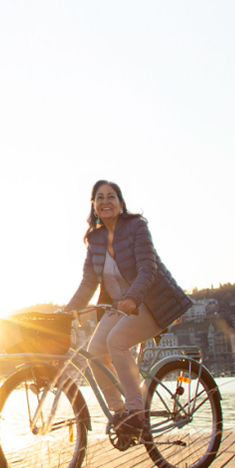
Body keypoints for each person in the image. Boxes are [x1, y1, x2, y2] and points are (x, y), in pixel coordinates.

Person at [63, 180, 192, 439]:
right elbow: (89, 281)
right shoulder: (95, 238)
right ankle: (121, 413)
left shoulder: (136, 227)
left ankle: (136, 413)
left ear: (121, 205)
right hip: (120, 306)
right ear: (94, 206)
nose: (105, 201)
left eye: (111, 196)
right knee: (94, 353)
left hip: (152, 303)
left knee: (116, 341)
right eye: (99, 197)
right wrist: (66, 312)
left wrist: (133, 298)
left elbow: (148, 267)